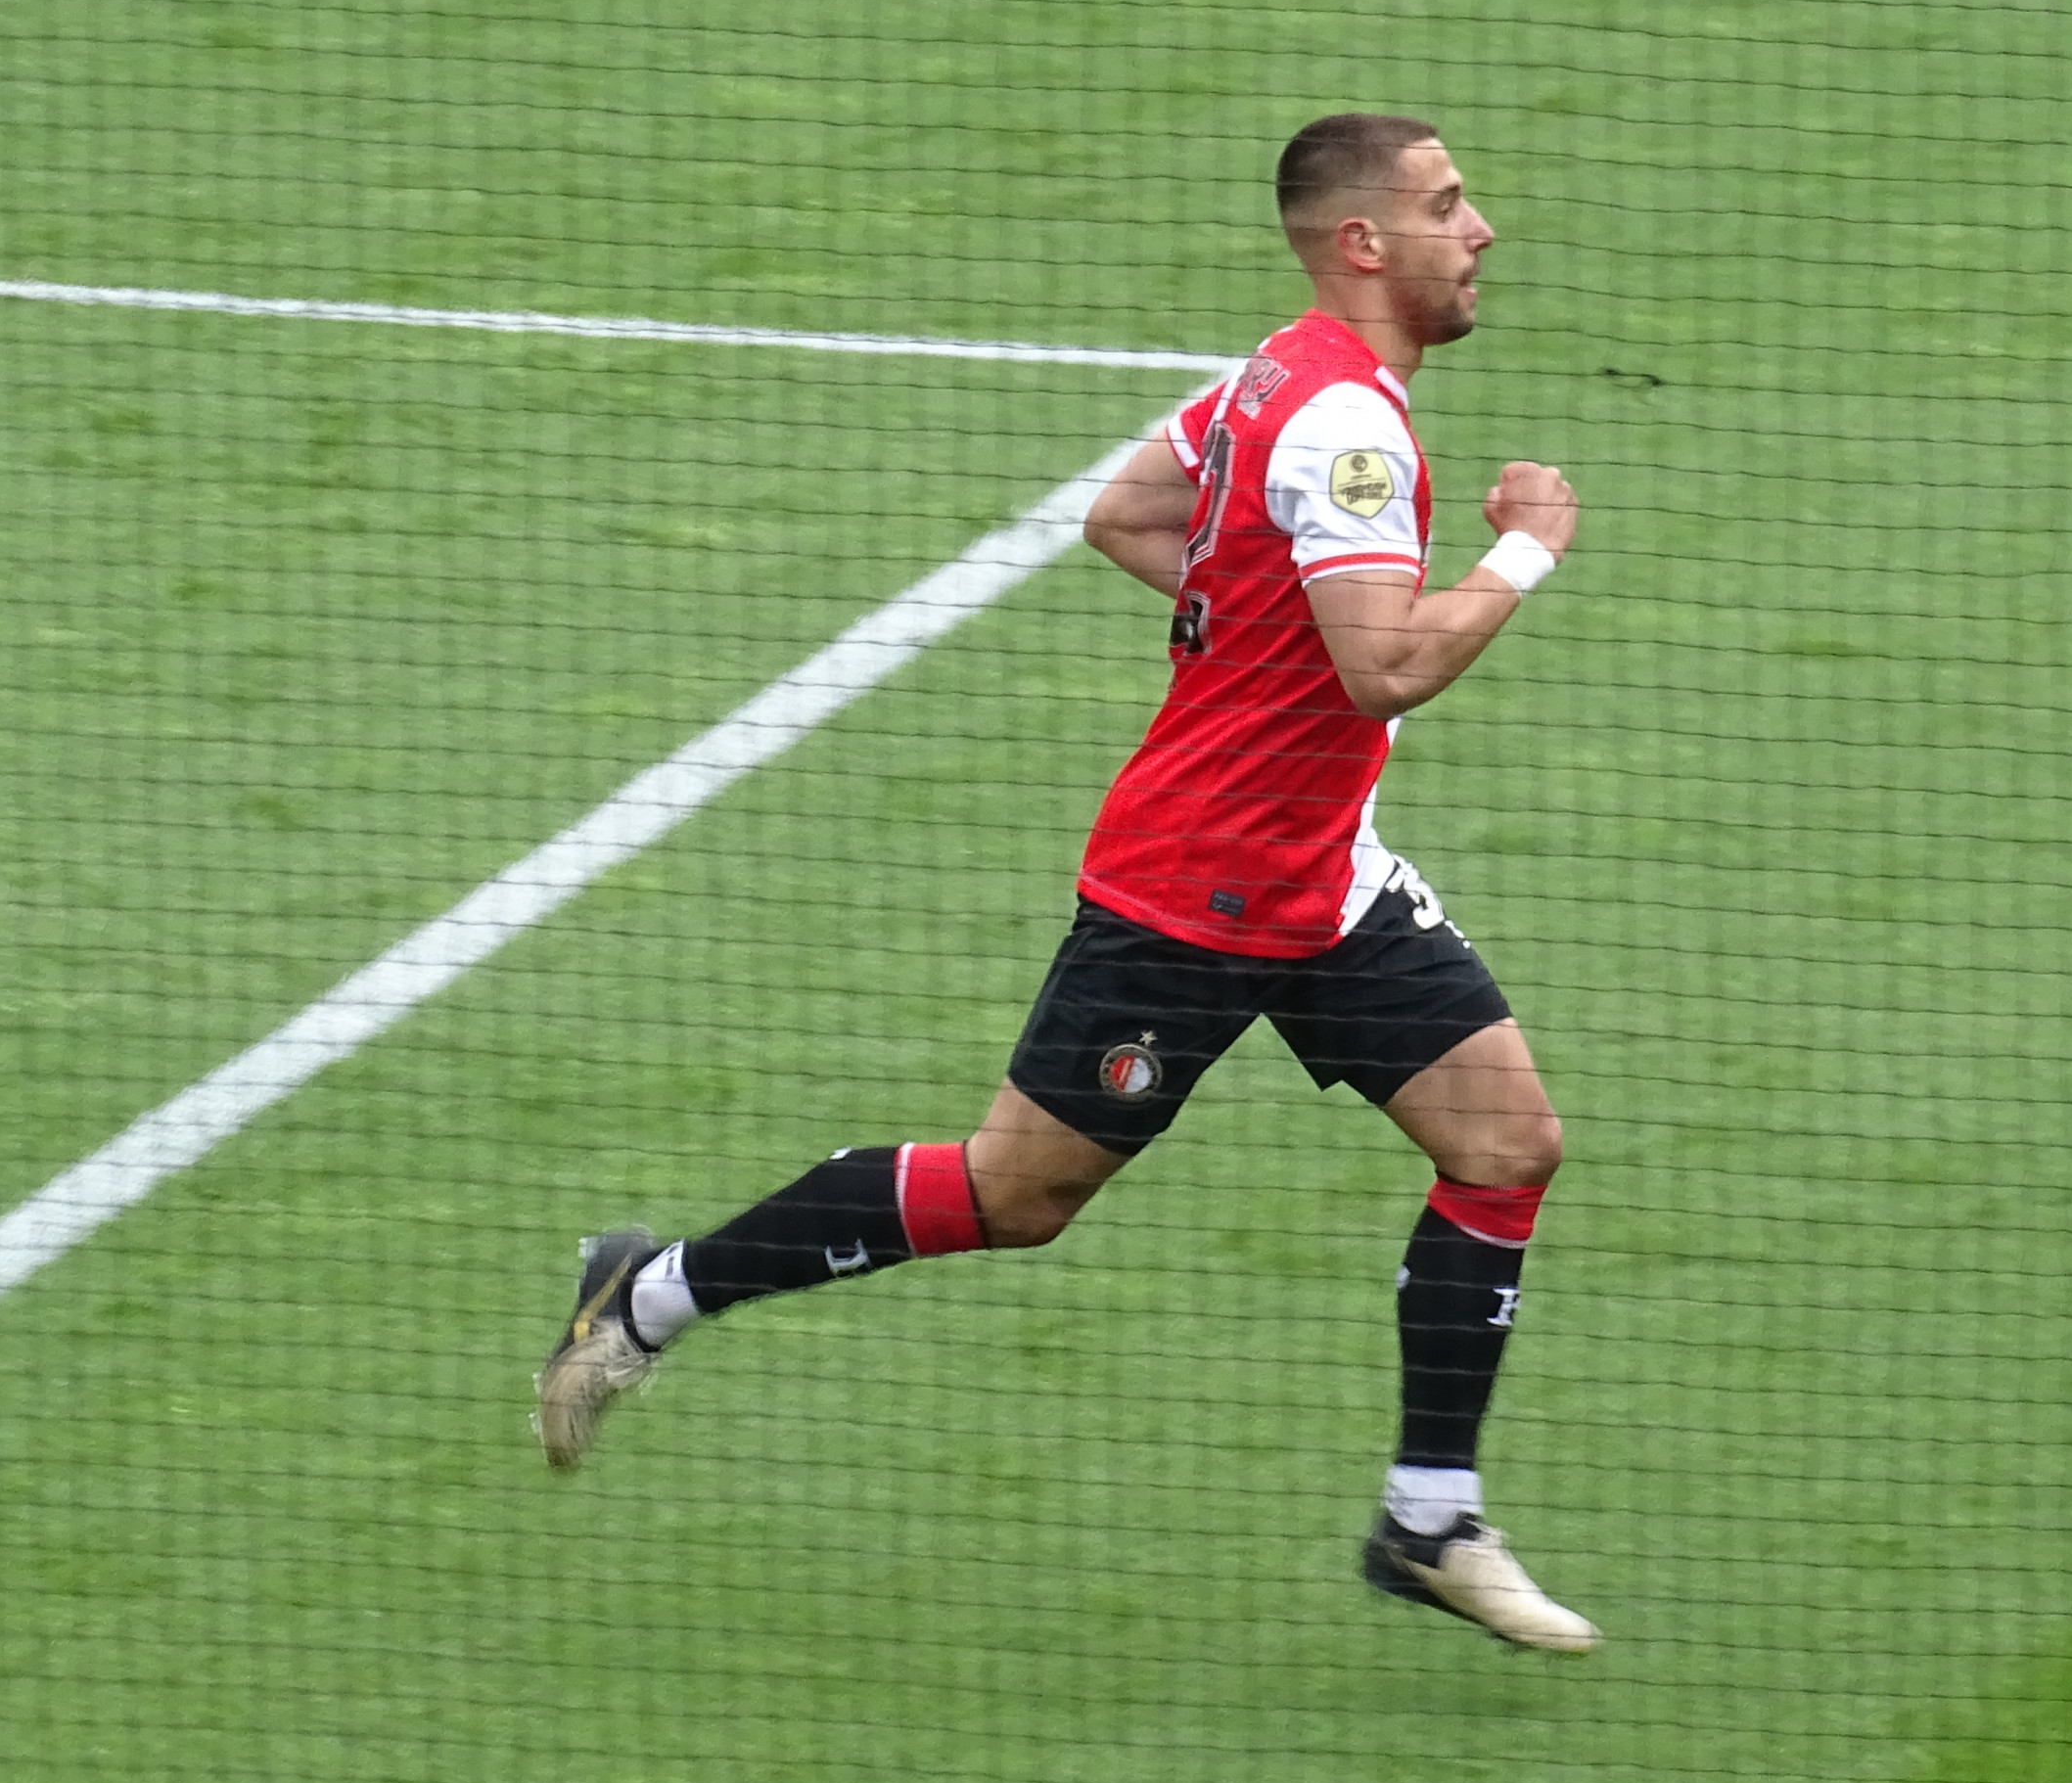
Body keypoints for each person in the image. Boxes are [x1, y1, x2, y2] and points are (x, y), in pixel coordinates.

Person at [534, 114, 1595, 1651]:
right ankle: (646, 1296)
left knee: (1506, 1146)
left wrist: (1256, 636)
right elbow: (1387, 669)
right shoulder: (1346, 429)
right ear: (1363, 243)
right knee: (1014, 1196)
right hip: (1195, 894)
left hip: (1325, 875)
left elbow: (1129, 515)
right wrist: (1527, 554)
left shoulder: (1267, 377)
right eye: (1446, 204)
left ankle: (1429, 1518)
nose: (1481, 226)